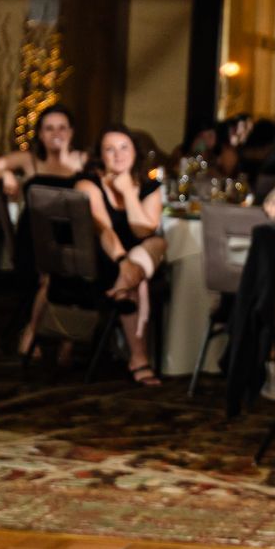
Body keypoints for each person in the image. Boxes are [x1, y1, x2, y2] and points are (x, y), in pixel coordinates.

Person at [0, 105, 89, 357]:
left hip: (72, 236)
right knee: (51, 271)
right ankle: (34, 331)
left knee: (78, 263)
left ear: (71, 132)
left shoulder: (83, 161)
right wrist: (5, 173)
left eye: (62, 127)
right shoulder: (29, 160)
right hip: (34, 237)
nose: (56, 133)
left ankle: (63, 337)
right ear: (40, 134)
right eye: (49, 128)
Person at [79, 126, 165, 386]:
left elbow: (143, 229)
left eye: (124, 147)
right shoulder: (88, 184)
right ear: (100, 155)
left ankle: (124, 284)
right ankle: (139, 359)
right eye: (110, 149)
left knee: (157, 242)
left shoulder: (150, 187)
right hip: (105, 259)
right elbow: (103, 230)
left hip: (140, 257)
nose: (118, 155)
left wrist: (128, 191)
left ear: (135, 152)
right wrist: (123, 263)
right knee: (133, 274)